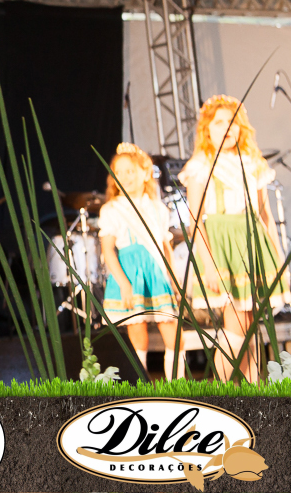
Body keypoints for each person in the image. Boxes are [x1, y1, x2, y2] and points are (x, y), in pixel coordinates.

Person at [179, 94, 290, 382]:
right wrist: (209, 264)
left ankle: (253, 389)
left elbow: (264, 215)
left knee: (250, 325)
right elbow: (195, 221)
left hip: (252, 243)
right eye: (219, 122)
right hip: (222, 247)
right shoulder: (201, 165)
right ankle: (218, 391)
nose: (227, 127)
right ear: (207, 129)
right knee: (236, 324)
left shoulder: (252, 163)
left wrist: (279, 258)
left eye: (232, 121)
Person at [98, 143, 184, 379]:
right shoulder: (112, 209)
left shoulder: (157, 208)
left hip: (156, 274)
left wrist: (174, 279)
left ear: (145, 173)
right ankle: (142, 384)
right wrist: (124, 284)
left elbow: (165, 247)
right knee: (138, 334)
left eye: (130, 171)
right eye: (119, 172)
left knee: (174, 334)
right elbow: (108, 250)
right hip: (130, 275)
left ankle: (178, 386)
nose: (125, 177)